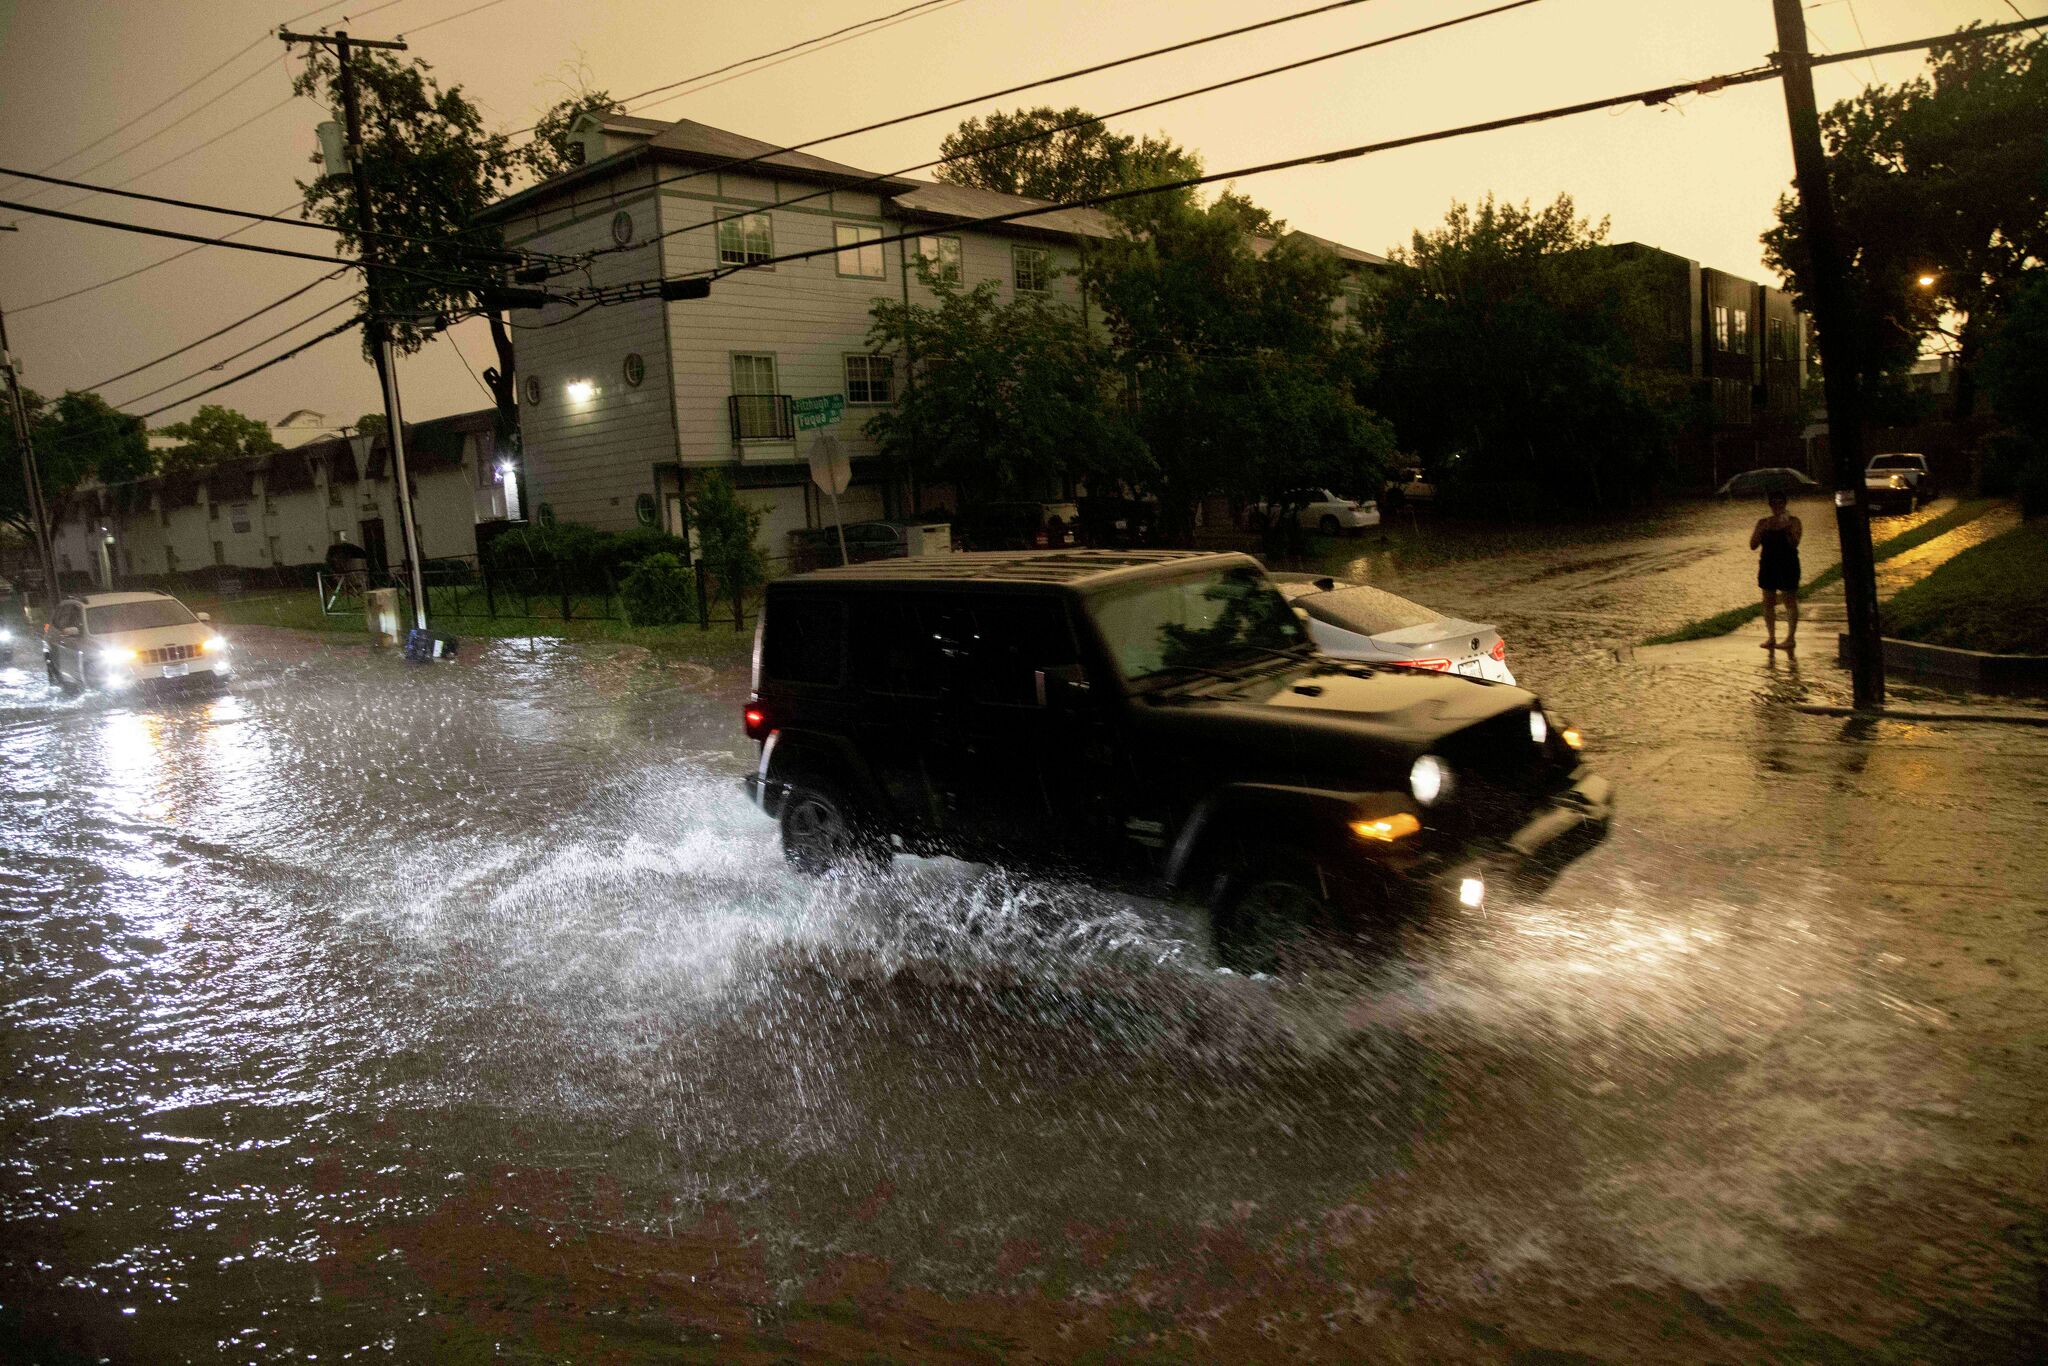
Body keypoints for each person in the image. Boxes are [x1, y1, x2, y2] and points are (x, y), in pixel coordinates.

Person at [1749, 489, 1803, 650]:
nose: (1777, 506)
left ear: (1785, 504)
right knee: (1768, 601)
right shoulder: (1763, 522)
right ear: (1770, 505)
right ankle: (1771, 637)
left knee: (1789, 600)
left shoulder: (1794, 521)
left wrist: (1787, 529)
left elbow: (1795, 543)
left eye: (1780, 502)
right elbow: (1753, 545)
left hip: (1788, 564)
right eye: (1774, 503)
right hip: (1768, 565)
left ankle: (1790, 638)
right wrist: (1762, 529)